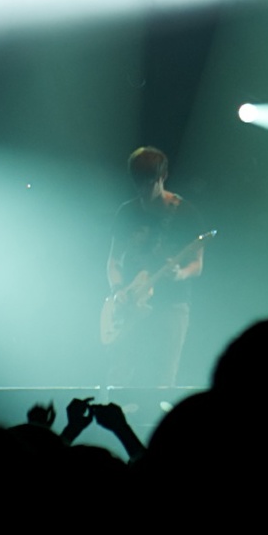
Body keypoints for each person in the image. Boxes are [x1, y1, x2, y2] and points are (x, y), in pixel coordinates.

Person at [105, 146, 204, 387]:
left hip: (172, 303)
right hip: (132, 301)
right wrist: (118, 290)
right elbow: (113, 260)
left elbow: (197, 265)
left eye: (149, 183)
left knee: (163, 376)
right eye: (138, 183)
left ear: (162, 177)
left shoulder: (186, 213)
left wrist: (179, 273)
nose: (143, 190)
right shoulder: (127, 211)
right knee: (121, 373)